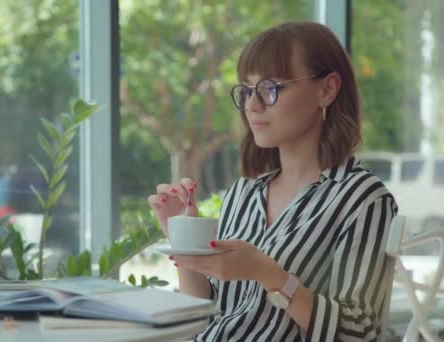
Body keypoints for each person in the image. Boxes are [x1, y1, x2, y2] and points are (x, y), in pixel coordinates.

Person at [148, 22, 397, 341]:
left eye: (271, 87)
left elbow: (362, 332)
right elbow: (205, 312)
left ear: (327, 89)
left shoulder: (364, 200)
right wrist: (183, 237)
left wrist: (267, 274)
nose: (252, 105)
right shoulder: (243, 193)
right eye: (247, 90)